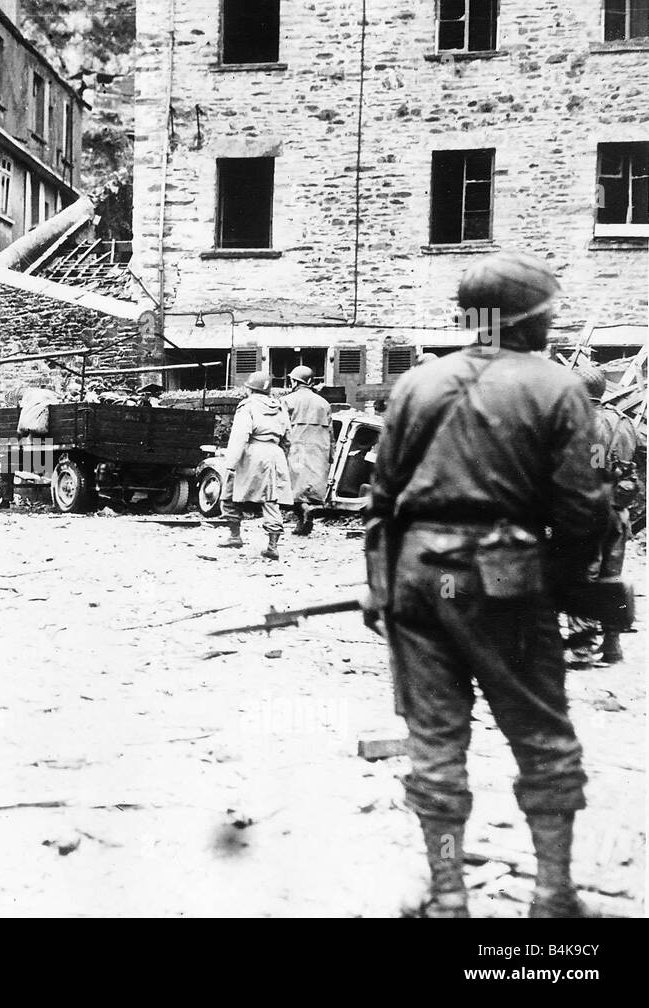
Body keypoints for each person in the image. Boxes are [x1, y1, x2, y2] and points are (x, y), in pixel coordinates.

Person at [364, 250, 608, 918]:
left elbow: (380, 502)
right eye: (548, 312)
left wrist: (380, 587)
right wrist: (557, 580)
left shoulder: (415, 384)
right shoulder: (557, 389)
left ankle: (447, 895)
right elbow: (584, 512)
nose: (554, 324)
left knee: (435, 746)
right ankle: (553, 894)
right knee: (541, 738)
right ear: (526, 316)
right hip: (503, 583)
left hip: (420, 581)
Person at [565, 362, 639, 669]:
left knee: (580, 576)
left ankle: (582, 648)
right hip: (617, 511)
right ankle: (612, 645)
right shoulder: (624, 423)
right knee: (611, 576)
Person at [217, 371, 291, 560]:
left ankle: (235, 535)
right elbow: (287, 438)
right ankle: (273, 546)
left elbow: (240, 436)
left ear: (250, 389)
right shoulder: (280, 406)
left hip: (251, 453)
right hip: (274, 453)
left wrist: (231, 462)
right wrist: (281, 456)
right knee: (271, 499)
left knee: (229, 491)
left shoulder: (247, 406)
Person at [280, 365, 331, 536]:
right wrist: (332, 453)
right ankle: (306, 516)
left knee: (294, 487)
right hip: (319, 449)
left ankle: (303, 513)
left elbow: (282, 427)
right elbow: (331, 432)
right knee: (312, 487)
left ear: (295, 381)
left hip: (296, 448)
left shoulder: (288, 400)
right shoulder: (324, 403)